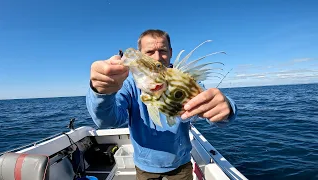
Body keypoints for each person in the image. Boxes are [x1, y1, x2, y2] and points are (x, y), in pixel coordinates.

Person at [86, 29, 238, 180]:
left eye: (163, 50)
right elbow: (108, 121)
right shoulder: (129, 85)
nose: (157, 58)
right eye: (150, 52)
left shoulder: (184, 78)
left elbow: (210, 104)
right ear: (140, 54)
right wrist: (102, 92)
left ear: (171, 52)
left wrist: (227, 108)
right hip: (145, 167)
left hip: (181, 165)